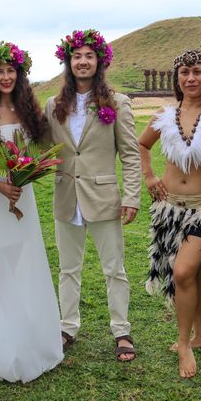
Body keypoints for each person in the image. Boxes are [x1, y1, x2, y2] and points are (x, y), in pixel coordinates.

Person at [0, 41, 63, 383]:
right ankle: (8, 349)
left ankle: (35, 341)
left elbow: (38, 150)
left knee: (26, 262)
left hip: (23, 195)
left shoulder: (28, 113)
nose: (5, 77)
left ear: (20, 76)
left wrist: (27, 174)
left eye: (11, 71)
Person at [139, 50, 201, 378]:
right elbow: (141, 145)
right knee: (191, 274)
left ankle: (183, 344)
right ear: (177, 78)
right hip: (170, 211)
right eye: (184, 72)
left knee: (182, 273)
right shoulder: (165, 115)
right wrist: (150, 176)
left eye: (196, 72)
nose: (190, 78)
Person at [45, 29, 141, 361]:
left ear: (99, 61)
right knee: (68, 269)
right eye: (76, 56)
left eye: (89, 56)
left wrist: (131, 196)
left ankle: (122, 330)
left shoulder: (117, 103)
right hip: (66, 196)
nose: (82, 61)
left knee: (114, 268)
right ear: (68, 62)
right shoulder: (53, 105)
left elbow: (130, 153)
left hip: (103, 197)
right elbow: (45, 148)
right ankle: (67, 327)